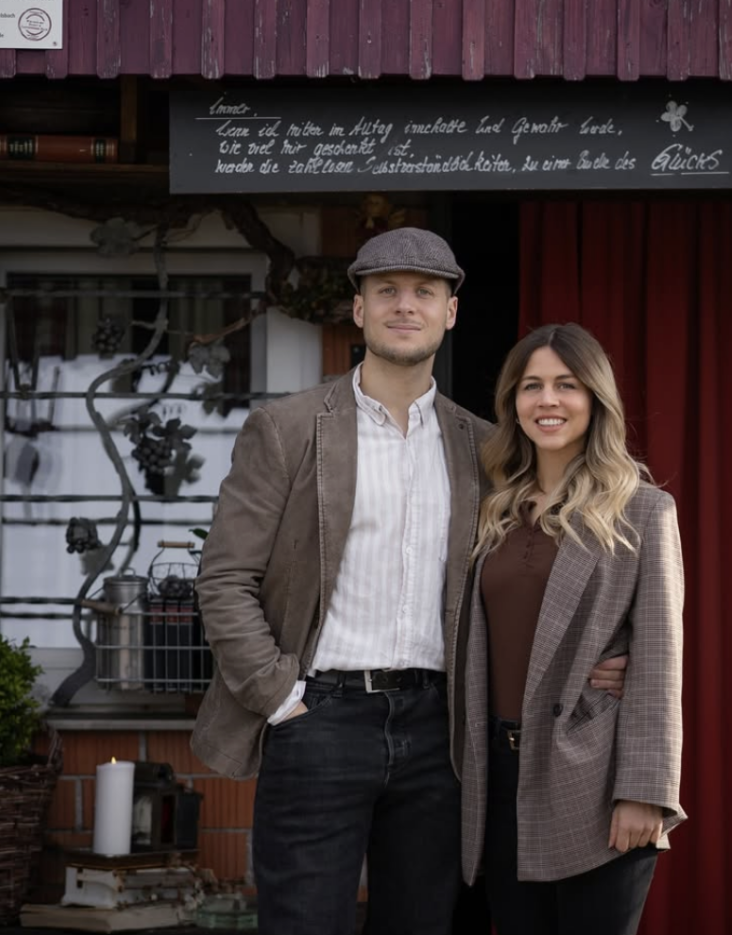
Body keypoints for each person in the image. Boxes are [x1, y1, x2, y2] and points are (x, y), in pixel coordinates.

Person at [192, 230, 627, 935]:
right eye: (386, 290)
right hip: (317, 717)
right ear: (358, 309)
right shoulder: (287, 429)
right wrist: (278, 697)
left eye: (424, 292)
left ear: (449, 312)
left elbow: (539, 564)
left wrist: (604, 655)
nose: (405, 305)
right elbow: (224, 577)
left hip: (441, 733)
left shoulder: (485, 446)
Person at [460, 322, 687, 935]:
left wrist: (645, 791)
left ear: (595, 398)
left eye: (566, 384)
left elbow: (660, 659)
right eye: (531, 386)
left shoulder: (642, 510)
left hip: (596, 777)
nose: (548, 400)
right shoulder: (494, 509)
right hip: (499, 775)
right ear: (513, 402)